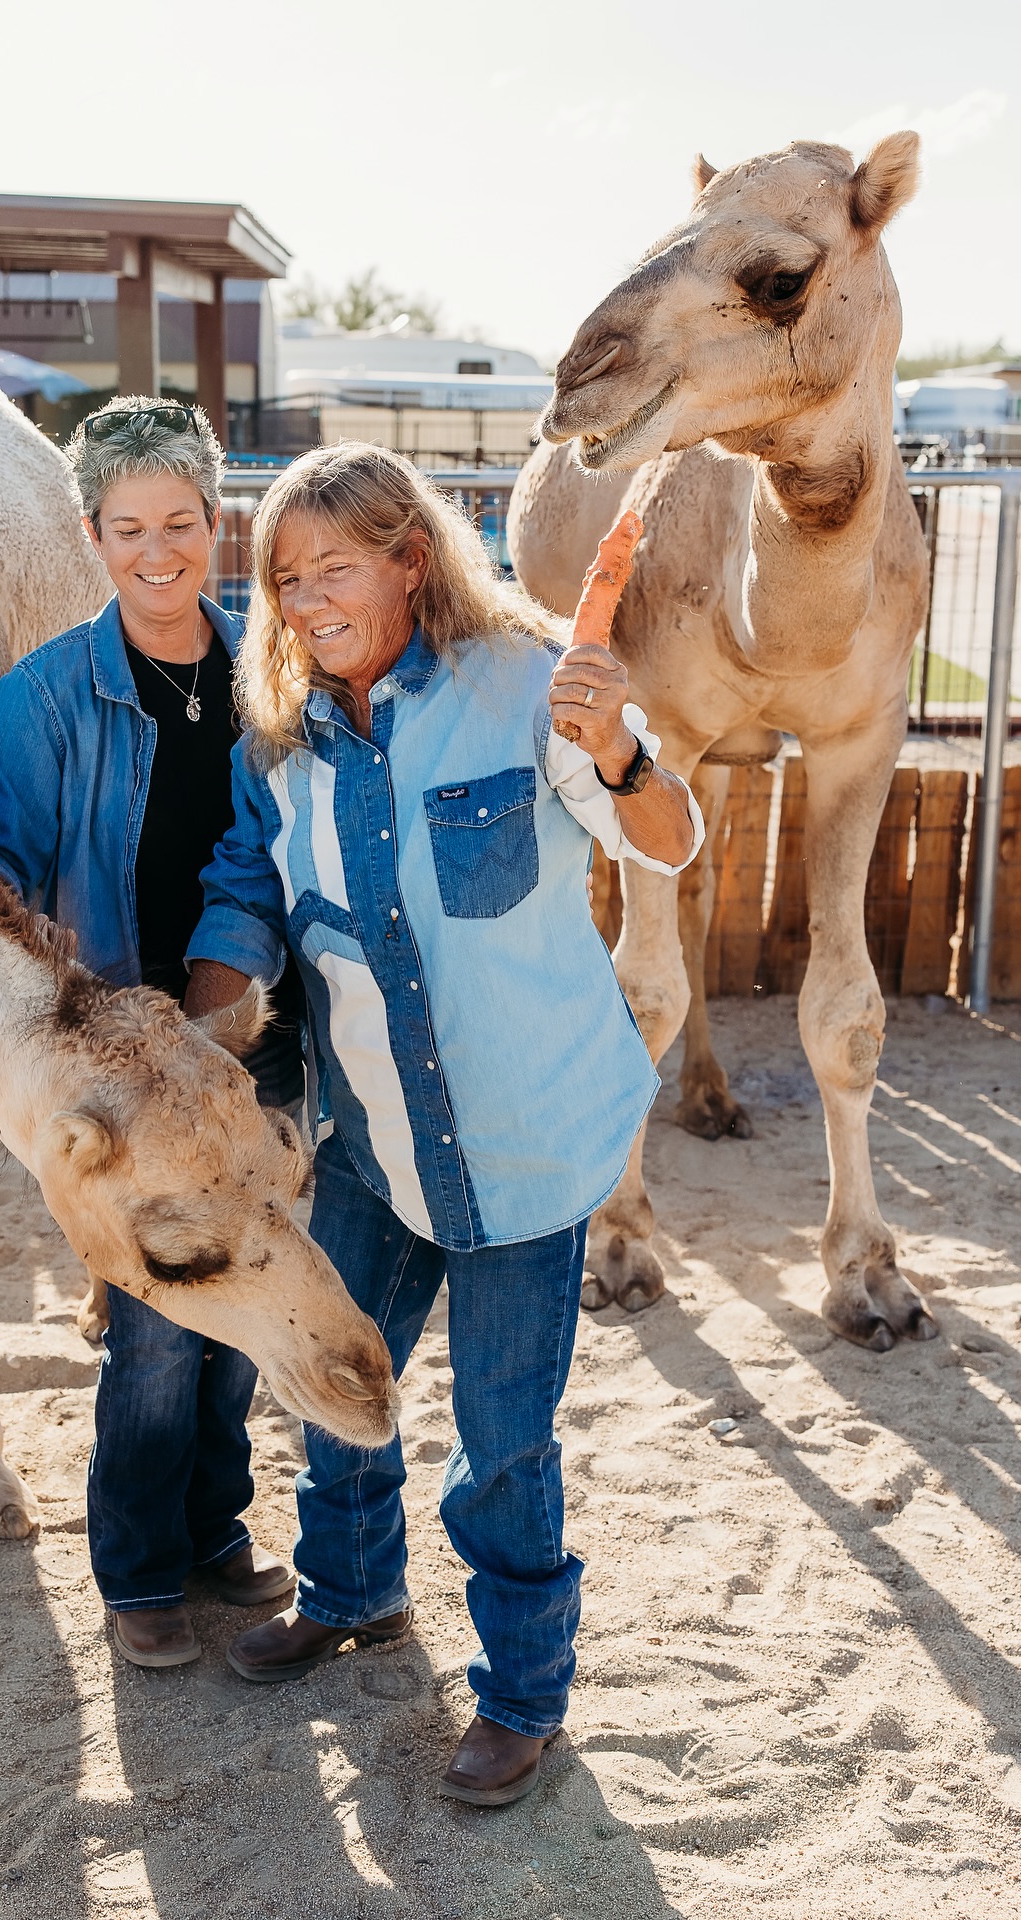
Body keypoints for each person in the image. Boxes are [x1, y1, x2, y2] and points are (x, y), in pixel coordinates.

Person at [182, 443, 702, 1804]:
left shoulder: (534, 685)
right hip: (379, 1139)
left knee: (501, 1440)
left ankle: (522, 1697)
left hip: (529, 1144)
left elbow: (668, 838)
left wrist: (619, 745)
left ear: (412, 557)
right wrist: (209, 1010)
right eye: (285, 580)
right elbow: (250, 881)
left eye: (333, 569)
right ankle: (352, 1590)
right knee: (334, 1373)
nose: (303, 603)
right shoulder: (285, 735)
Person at [0, 397, 304, 1669]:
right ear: (92, 536)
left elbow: (273, 849)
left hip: (254, 1023)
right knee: (159, 1317)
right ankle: (140, 1570)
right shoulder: (46, 696)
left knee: (247, 1292)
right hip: (125, 1043)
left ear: (216, 522)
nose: (156, 551)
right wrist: (75, 1023)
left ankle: (215, 1531)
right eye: (127, 529)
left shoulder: (271, 678)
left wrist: (239, 1001)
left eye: (180, 522)